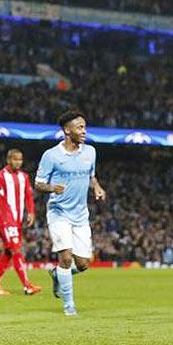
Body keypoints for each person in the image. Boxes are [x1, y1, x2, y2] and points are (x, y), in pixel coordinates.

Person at [35, 110, 106, 316]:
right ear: (67, 130)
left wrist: (97, 188)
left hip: (81, 215)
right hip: (59, 213)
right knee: (66, 258)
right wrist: (52, 188)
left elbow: (91, 176)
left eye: (84, 127)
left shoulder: (90, 152)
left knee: (83, 264)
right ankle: (69, 306)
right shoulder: (51, 155)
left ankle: (58, 275)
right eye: (80, 127)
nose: (84, 131)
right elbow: (39, 183)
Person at [0, 149, 41, 296]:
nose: (18, 162)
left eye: (20, 160)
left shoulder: (24, 177)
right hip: (6, 221)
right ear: (8, 160)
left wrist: (31, 212)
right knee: (17, 250)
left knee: (8, 252)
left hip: (18, 221)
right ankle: (27, 286)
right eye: (15, 159)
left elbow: (29, 197)